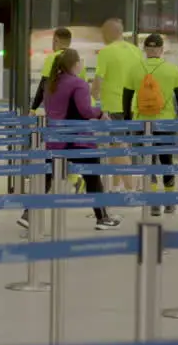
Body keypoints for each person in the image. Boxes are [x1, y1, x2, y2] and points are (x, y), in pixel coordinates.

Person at [17, 49, 119, 231]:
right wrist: (101, 113)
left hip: (55, 139)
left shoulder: (51, 84)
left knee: (46, 178)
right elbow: (85, 111)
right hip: (78, 139)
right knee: (93, 178)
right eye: (80, 61)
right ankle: (102, 218)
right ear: (75, 64)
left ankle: (28, 214)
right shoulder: (78, 84)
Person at [122, 33, 178, 217]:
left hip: (142, 123)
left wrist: (128, 121)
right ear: (161, 49)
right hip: (166, 123)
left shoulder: (134, 69)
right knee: (167, 160)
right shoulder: (173, 70)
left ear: (145, 49)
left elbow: (126, 98)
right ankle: (169, 202)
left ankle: (152, 203)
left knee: (148, 161)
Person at [32, 27, 87, 193]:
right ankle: (74, 178)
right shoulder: (78, 62)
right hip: (75, 114)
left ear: (55, 40)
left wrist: (33, 108)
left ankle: (36, 201)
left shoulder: (53, 58)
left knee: (54, 150)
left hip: (58, 116)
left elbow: (44, 86)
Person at [94, 18, 145, 193]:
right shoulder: (136, 51)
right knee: (120, 144)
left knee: (118, 145)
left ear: (109, 33)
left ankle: (131, 186)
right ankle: (117, 184)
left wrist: (92, 98)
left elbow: (98, 80)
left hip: (115, 104)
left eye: (102, 33)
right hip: (134, 105)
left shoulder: (106, 52)